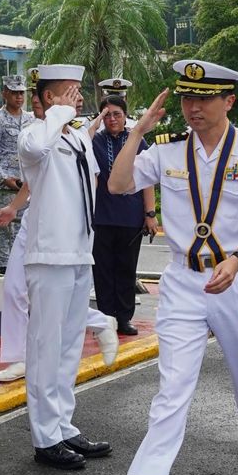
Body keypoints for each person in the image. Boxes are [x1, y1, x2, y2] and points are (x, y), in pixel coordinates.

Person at [109, 60, 238, 475]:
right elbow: (118, 184)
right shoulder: (166, 150)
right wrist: (137, 132)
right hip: (182, 280)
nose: (193, 108)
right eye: (187, 98)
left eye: (204, 99)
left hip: (236, 278)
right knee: (173, 382)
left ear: (229, 100)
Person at [19, 63, 113, 470]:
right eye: (68, 91)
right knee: (46, 347)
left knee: (70, 346)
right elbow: (37, 149)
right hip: (49, 254)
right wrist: (55, 111)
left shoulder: (77, 140)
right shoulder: (32, 135)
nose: (77, 97)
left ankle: (63, 425)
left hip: (79, 251)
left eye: (78, 90)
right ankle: (45, 437)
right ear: (47, 99)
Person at [0, 88, 118, 384]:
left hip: (61, 231)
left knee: (57, 302)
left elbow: (90, 184)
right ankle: (18, 357)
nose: (36, 108)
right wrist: (13, 207)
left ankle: (98, 322)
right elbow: (33, 178)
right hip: (35, 224)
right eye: (35, 104)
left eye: (37, 102)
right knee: (15, 290)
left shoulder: (75, 136)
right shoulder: (34, 133)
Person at [92, 91, 157, 336]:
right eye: (106, 115)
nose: (112, 120)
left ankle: (124, 318)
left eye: (116, 114)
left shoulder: (137, 141)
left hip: (130, 217)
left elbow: (148, 180)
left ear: (126, 116)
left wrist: (149, 214)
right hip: (102, 217)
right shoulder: (94, 141)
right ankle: (106, 319)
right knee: (103, 270)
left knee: (126, 269)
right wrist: (94, 124)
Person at [0, 74, 31, 272]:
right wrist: (4, 178)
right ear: (4, 93)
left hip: (26, 184)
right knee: (5, 229)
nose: (18, 97)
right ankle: (4, 268)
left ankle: (22, 266)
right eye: (14, 93)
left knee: (25, 227)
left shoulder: (30, 119)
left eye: (21, 93)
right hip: (6, 186)